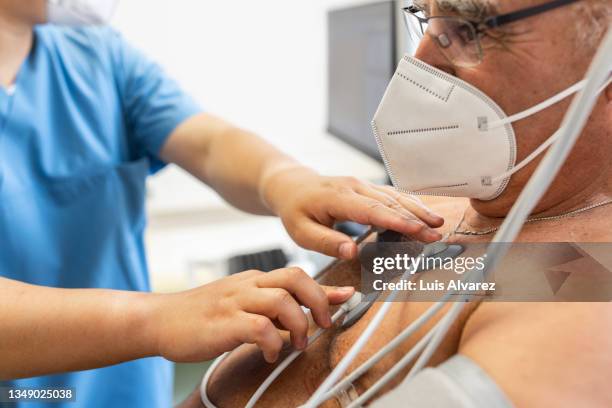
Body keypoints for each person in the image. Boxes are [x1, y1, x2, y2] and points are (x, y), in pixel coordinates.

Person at [0, 0, 446, 407]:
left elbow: (209, 143)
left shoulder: (93, 55)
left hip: (127, 389)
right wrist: (159, 318)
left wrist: (287, 183)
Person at [202, 0, 612, 407]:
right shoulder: (439, 202)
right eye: (425, 16)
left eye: (473, 26)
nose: (421, 60)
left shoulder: (581, 296)